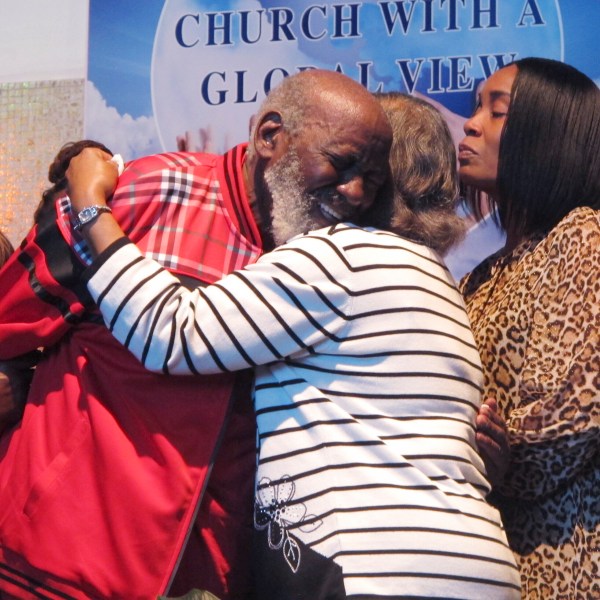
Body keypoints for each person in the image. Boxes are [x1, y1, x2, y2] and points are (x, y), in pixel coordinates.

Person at [63, 89, 521, 597]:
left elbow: (171, 331)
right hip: (472, 563)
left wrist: (90, 208)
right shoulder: (431, 276)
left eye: (359, 165)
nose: (348, 188)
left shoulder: (339, 258)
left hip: (370, 563)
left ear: (381, 177)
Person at [0, 69, 392, 600]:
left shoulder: (335, 264)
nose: (357, 192)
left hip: (206, 578)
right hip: (59, 561)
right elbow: (11, 317)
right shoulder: (148, 189)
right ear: (269, 136)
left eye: (373, 176)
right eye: (342, 163)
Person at [458, 57, 600, 599]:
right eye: (476, 108)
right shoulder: (480, 275)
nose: (471, 124)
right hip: (492, 550)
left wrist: (496, 455)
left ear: (549, 135)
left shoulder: (581, 237)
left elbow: (571, 414)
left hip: (561, 557)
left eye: (498, 113)